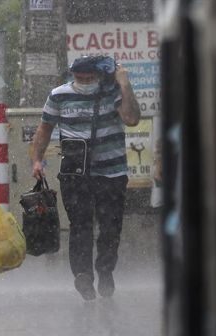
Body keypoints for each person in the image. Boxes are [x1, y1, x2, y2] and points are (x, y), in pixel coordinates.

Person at [31, 56, 140, 300]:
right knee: (80, 225)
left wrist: (124, 83)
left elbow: (131, 119)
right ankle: (82, 274)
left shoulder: (113, 93)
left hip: (111, 173)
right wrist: (36, 160)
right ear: (73, 75)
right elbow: (44, 129)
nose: (85, 82)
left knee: (110, 227)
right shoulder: (59, 95)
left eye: (90, 78)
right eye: (80, 78)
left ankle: (105, 269)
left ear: (100, 76)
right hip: (75, 174)